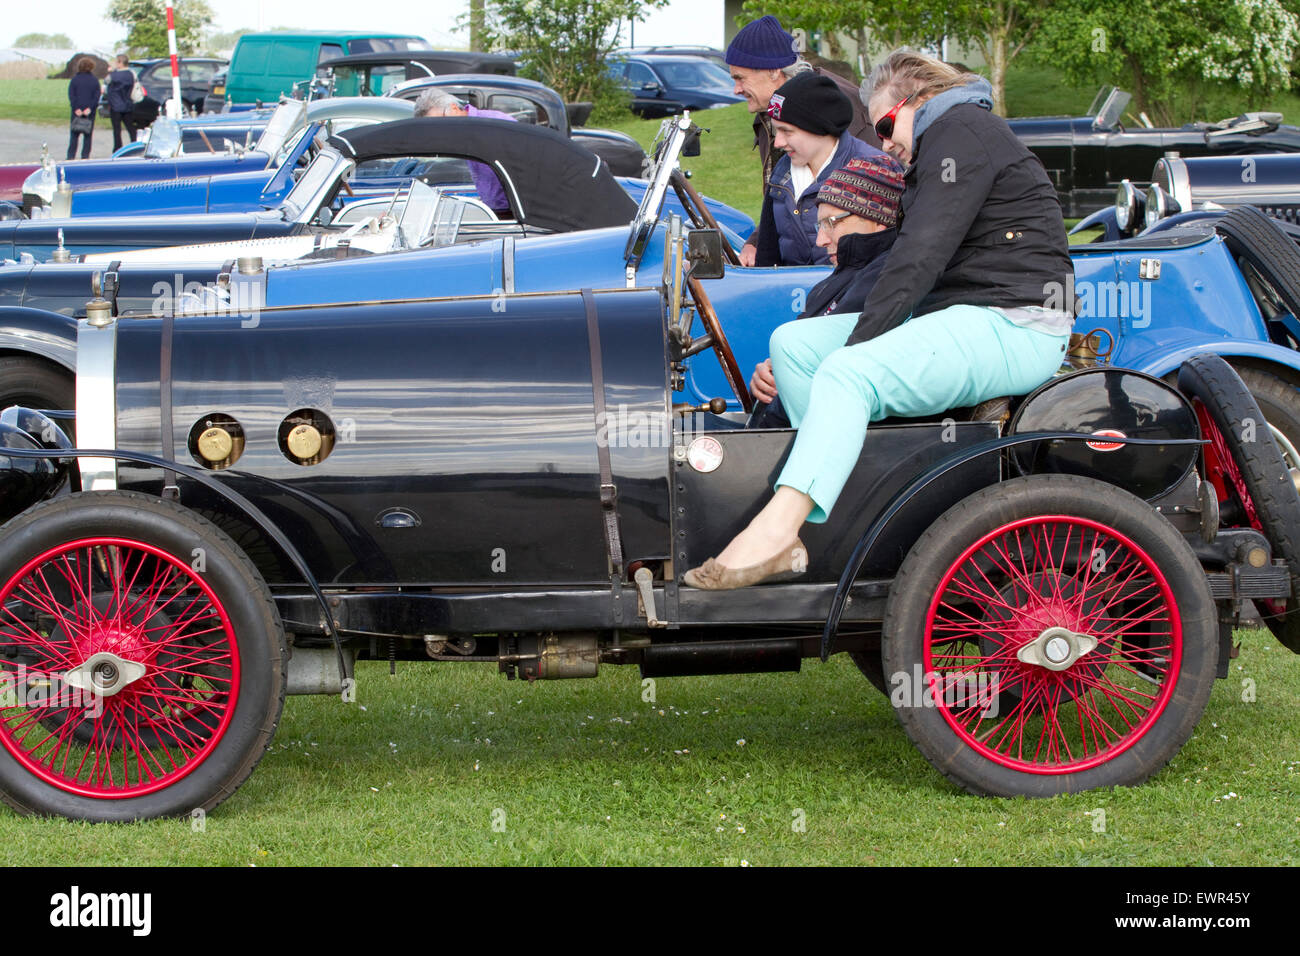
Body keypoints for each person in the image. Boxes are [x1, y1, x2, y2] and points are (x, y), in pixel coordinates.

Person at [684, 50, 1074, 590]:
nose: (884, 141)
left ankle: (777, 530)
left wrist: (858, 349)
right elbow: (905, 253)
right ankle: (836, 509)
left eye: (886, 124)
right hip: (969, 313)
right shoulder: (945, 141)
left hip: (1016, 323)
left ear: (920, 99)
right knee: (794, 343)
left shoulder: (962, 128)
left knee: (845, 372)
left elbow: (920, 257)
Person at [748, 154, 904, 429]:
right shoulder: (843, 275)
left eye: (831, 223)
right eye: (820, 225)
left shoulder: (886, 281)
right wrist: (768, 374)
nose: (821, 240)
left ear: (878, 220)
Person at [725, 14, 881, 266]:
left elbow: (871, 205)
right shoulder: (768, 116)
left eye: (740, 78)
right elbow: (780, 200)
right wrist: (757, 242)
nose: (736, 89)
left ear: (774, 71)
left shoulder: (834, 106)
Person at [751, 72, 883, 267]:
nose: (778, 142)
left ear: (819, 128)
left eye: (787, 131)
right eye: (776, 130)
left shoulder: (871, 170)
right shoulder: (783, 170)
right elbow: (767, 252)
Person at [414, 90, 516, 217]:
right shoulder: (461, 132)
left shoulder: (496, 122)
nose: (441, 130)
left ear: (454, 108)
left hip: (513, 209)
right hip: (493, 209)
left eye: (441, 122)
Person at [66, 58, 100, 160]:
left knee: (74, 135)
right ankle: (85, 157)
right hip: (89, 112)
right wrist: (90, 108)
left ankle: (70, 157)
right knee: (88, 136)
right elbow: (96, 96)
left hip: (77, 111)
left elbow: (72, 95)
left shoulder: (75, 80)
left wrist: (76, 108)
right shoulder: (95, 80)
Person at [105, 55, 139, 152]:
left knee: (117, 129)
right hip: (128, 104)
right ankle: (135, 144)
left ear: (120, 63)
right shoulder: (131, 74)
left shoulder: (113, 76)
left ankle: (117, 147)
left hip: (115, 106)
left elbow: (106, 82)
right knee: (130, 127)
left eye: (117, 62)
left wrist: (112, 71)